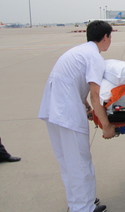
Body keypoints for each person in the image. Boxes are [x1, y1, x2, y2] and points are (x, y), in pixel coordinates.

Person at [38, 20, 115, 212]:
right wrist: (106, 126)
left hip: (53, 110)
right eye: (110, 37)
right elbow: (96, 94)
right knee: (80, 163)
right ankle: (84, 208)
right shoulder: (94, 57)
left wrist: (87, 107)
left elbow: (74, 84)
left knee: (68, 162)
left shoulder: (78, 52)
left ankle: (79, 203)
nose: (110, 40)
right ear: (105, 37)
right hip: (67, 114)